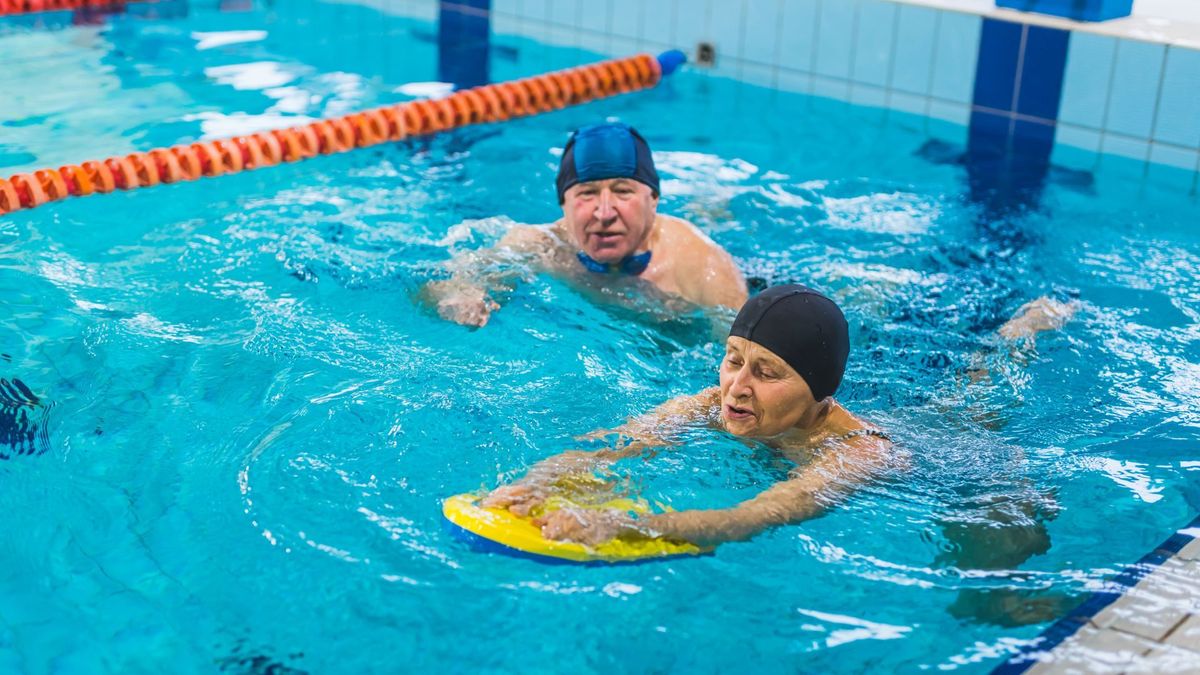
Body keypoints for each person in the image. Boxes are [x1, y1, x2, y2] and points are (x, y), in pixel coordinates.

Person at [480, 285, 893, 547]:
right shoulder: (711, 402)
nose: (738, 386)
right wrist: (537, 481)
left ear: (819, 390)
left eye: (767, 373)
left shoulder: (859, 453)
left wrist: (629, 525)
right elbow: (617, 445)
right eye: (734, 360)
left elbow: (751, 516)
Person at [422, 123, 748, 327]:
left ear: (654, 199)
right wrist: (462, 293)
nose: (604, 213)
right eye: (587, 194)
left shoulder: (701, 264)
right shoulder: (543, 246)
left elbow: (751, 360)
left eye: (623, 192)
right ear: (563, 204)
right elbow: (440, 281)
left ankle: (712, 207)